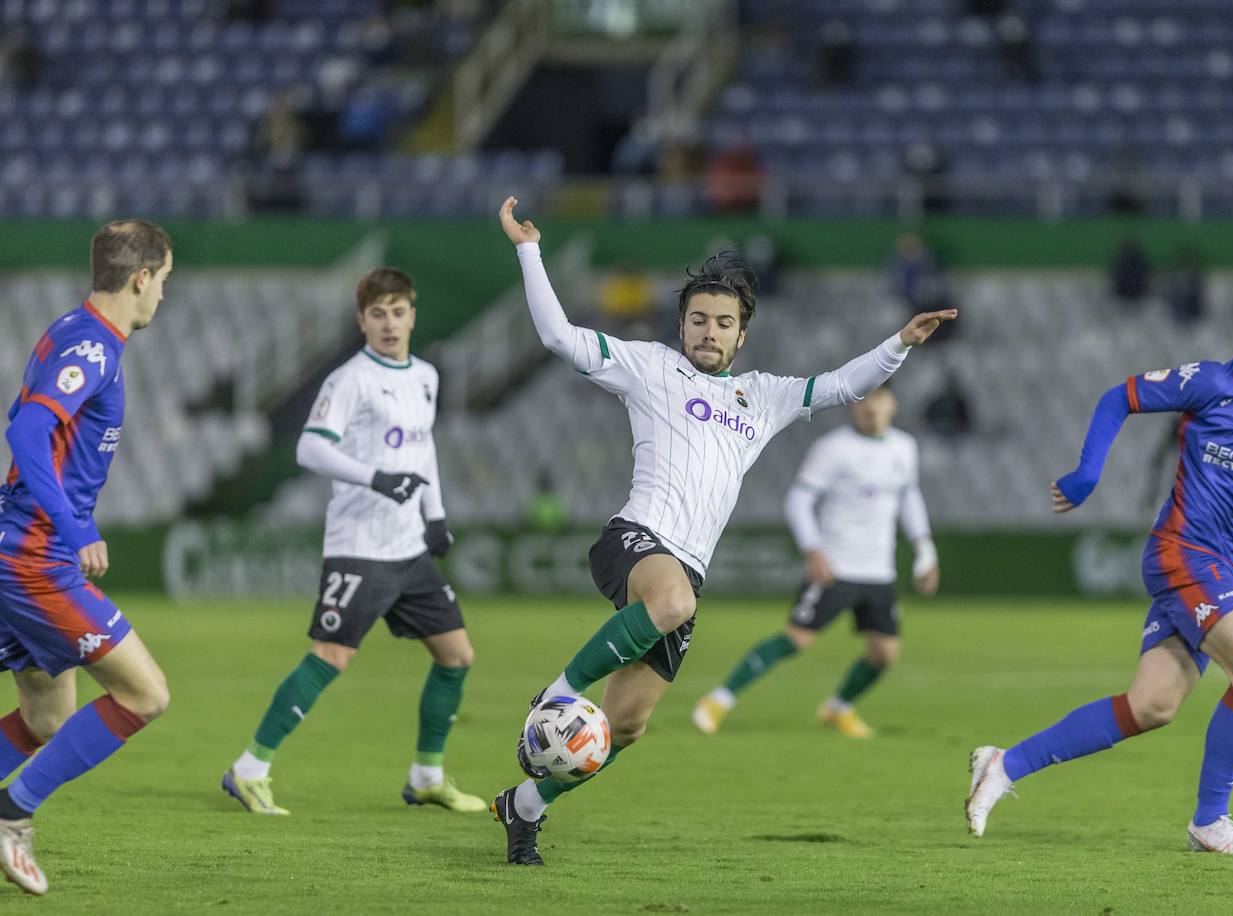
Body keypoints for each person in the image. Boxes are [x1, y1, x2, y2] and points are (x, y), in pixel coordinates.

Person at [492, 196, 956, 865]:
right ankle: (558, 693)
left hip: (688, 568)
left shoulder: (761, 397)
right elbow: (559, 336)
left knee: (626, 726)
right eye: (698, 319)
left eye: (724, 323)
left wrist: (899, 346)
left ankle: (525, 807)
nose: (709, 331)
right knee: (671, 601)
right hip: (635, 539)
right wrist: (529, 249)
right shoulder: (649, 367)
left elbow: (840, 387)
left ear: (742, 337)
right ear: (681, 325)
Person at [965, 279, 1233, 855]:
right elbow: (1119, 397)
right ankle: (1211, 821)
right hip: (1181, 552)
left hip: (1218, 565)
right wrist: (1087, 472)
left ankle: (1005, 764)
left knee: (1151, 705)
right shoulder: (1213, 381)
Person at [222, 268, 483, 817]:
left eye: (398, 311)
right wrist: (376, 478)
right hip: (360, 544)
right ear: (361, 321)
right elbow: (310, 450)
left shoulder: (427, 376)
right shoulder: (350, 380)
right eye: (378, 314)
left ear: (413, 314)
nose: (390, 323)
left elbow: (422, 447)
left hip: (409, 547)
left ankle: (427, 777)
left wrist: (434, 515)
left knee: (456, 655)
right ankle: (249, 770)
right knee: (331, 656)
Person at [0, 220, 176, 895]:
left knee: (45, 715)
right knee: (144, 693)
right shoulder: (94, 349)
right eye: (162, 282)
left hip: (20, 545)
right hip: (38, 559)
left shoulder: (71, 328)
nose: (162, 295)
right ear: (140, 279)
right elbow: (25, 428)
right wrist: (74, 530)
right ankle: (12, 815)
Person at [692, 384, 939, 738]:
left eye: (879, 399)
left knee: (884, 652)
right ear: (851, 407)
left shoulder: (904, 447)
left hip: (878, 570)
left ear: (893, 404)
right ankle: (718, 700)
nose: (872, 407)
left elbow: (909, 496)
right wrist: (813, 550)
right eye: (864, 399)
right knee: (796, 639)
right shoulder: (833, 448)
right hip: (836, 566)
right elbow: (797, 500)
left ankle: (838, 708)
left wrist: (925, 549)